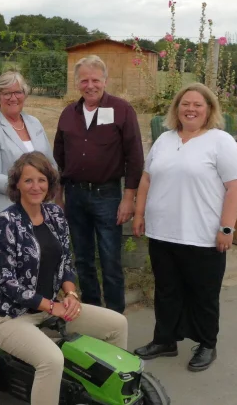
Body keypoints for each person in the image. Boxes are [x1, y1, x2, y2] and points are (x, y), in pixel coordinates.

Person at [0, 152, 129, 405]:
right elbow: (5, 282)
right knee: (51, 360)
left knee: (117, 324)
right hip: (10, 317)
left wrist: (71, 294)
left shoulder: (54, 214)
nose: (36, 187)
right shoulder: (5, 222)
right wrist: (54, 307)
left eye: (42, 180)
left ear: (50, 184)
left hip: (53, 308)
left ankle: (106, 397)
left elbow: (65, 261)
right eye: (28, 180)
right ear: (17, 184)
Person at [132, 83, 237, 372]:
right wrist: (139, 213)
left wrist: (227, 228)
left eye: (198, 104)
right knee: (167, 290)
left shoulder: (221, 141)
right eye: (185, 104)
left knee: (203, 294)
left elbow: (236, 187)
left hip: (203, 236)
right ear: (176, 108)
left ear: (209, 109)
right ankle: (165, 340)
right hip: (162, 232)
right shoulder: (164, 140)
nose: (191, 109)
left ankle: (207, 344)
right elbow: (146, 179)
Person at [53, 55, 144, 313]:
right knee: (82, 259)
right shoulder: (68, 114)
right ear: (77, 84)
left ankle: (115, 316)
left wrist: (128, 198)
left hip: (108, 196)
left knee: (110, 259)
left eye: (95, 79)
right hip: (75, 196)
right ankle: (92, 313)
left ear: (105, 80)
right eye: (84, 80)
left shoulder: (121, 110)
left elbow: (135, 157)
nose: (90, 85)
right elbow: (59, 158)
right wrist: (59, 197)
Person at [0, 71, 56, 318]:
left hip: (34, 216)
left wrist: (50, 184)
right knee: (0, 279)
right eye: (6, 92)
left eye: (18, 91)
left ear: (25, 95)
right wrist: (28, 189)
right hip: (2, 217)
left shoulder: (34, 124)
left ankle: (25, 332)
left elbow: (49, 164)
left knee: (30, 276)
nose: (13, 97)